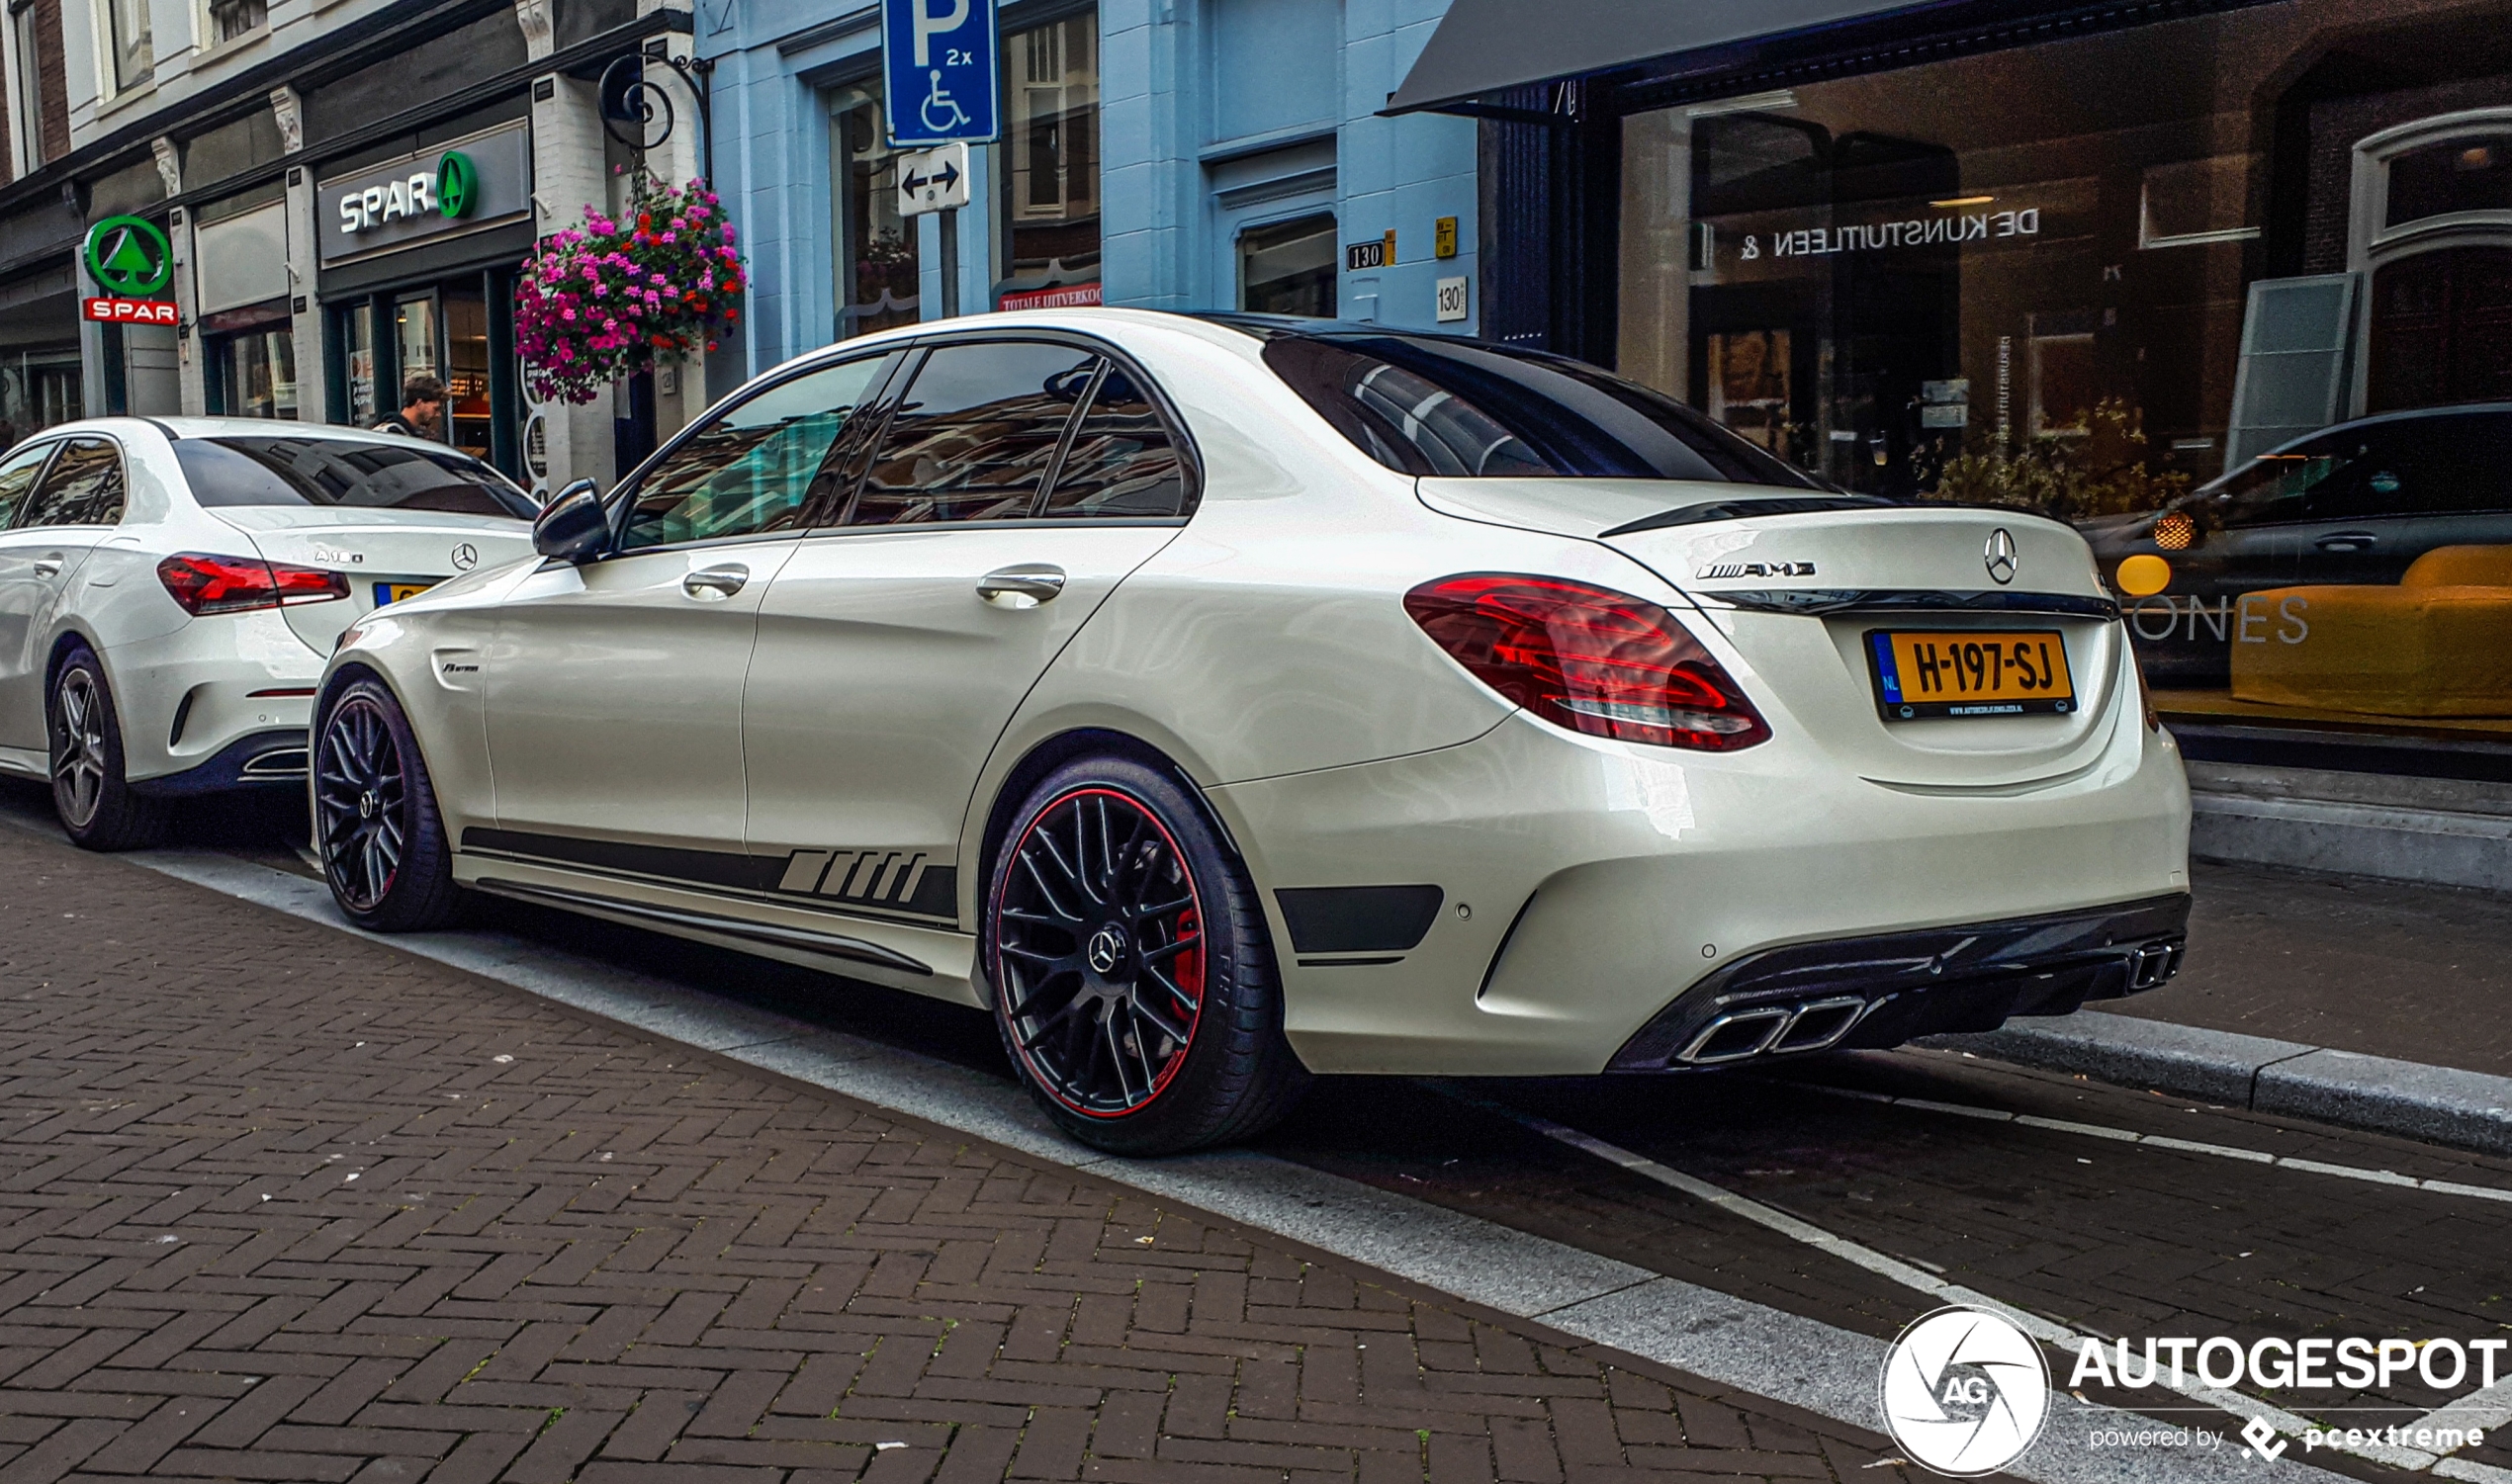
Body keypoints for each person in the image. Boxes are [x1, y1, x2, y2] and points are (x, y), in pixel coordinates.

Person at [373, 375, 445, 438]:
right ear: (419, 403)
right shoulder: (392, 434)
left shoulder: (404, 432)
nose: (438, 414)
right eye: (436, 409)